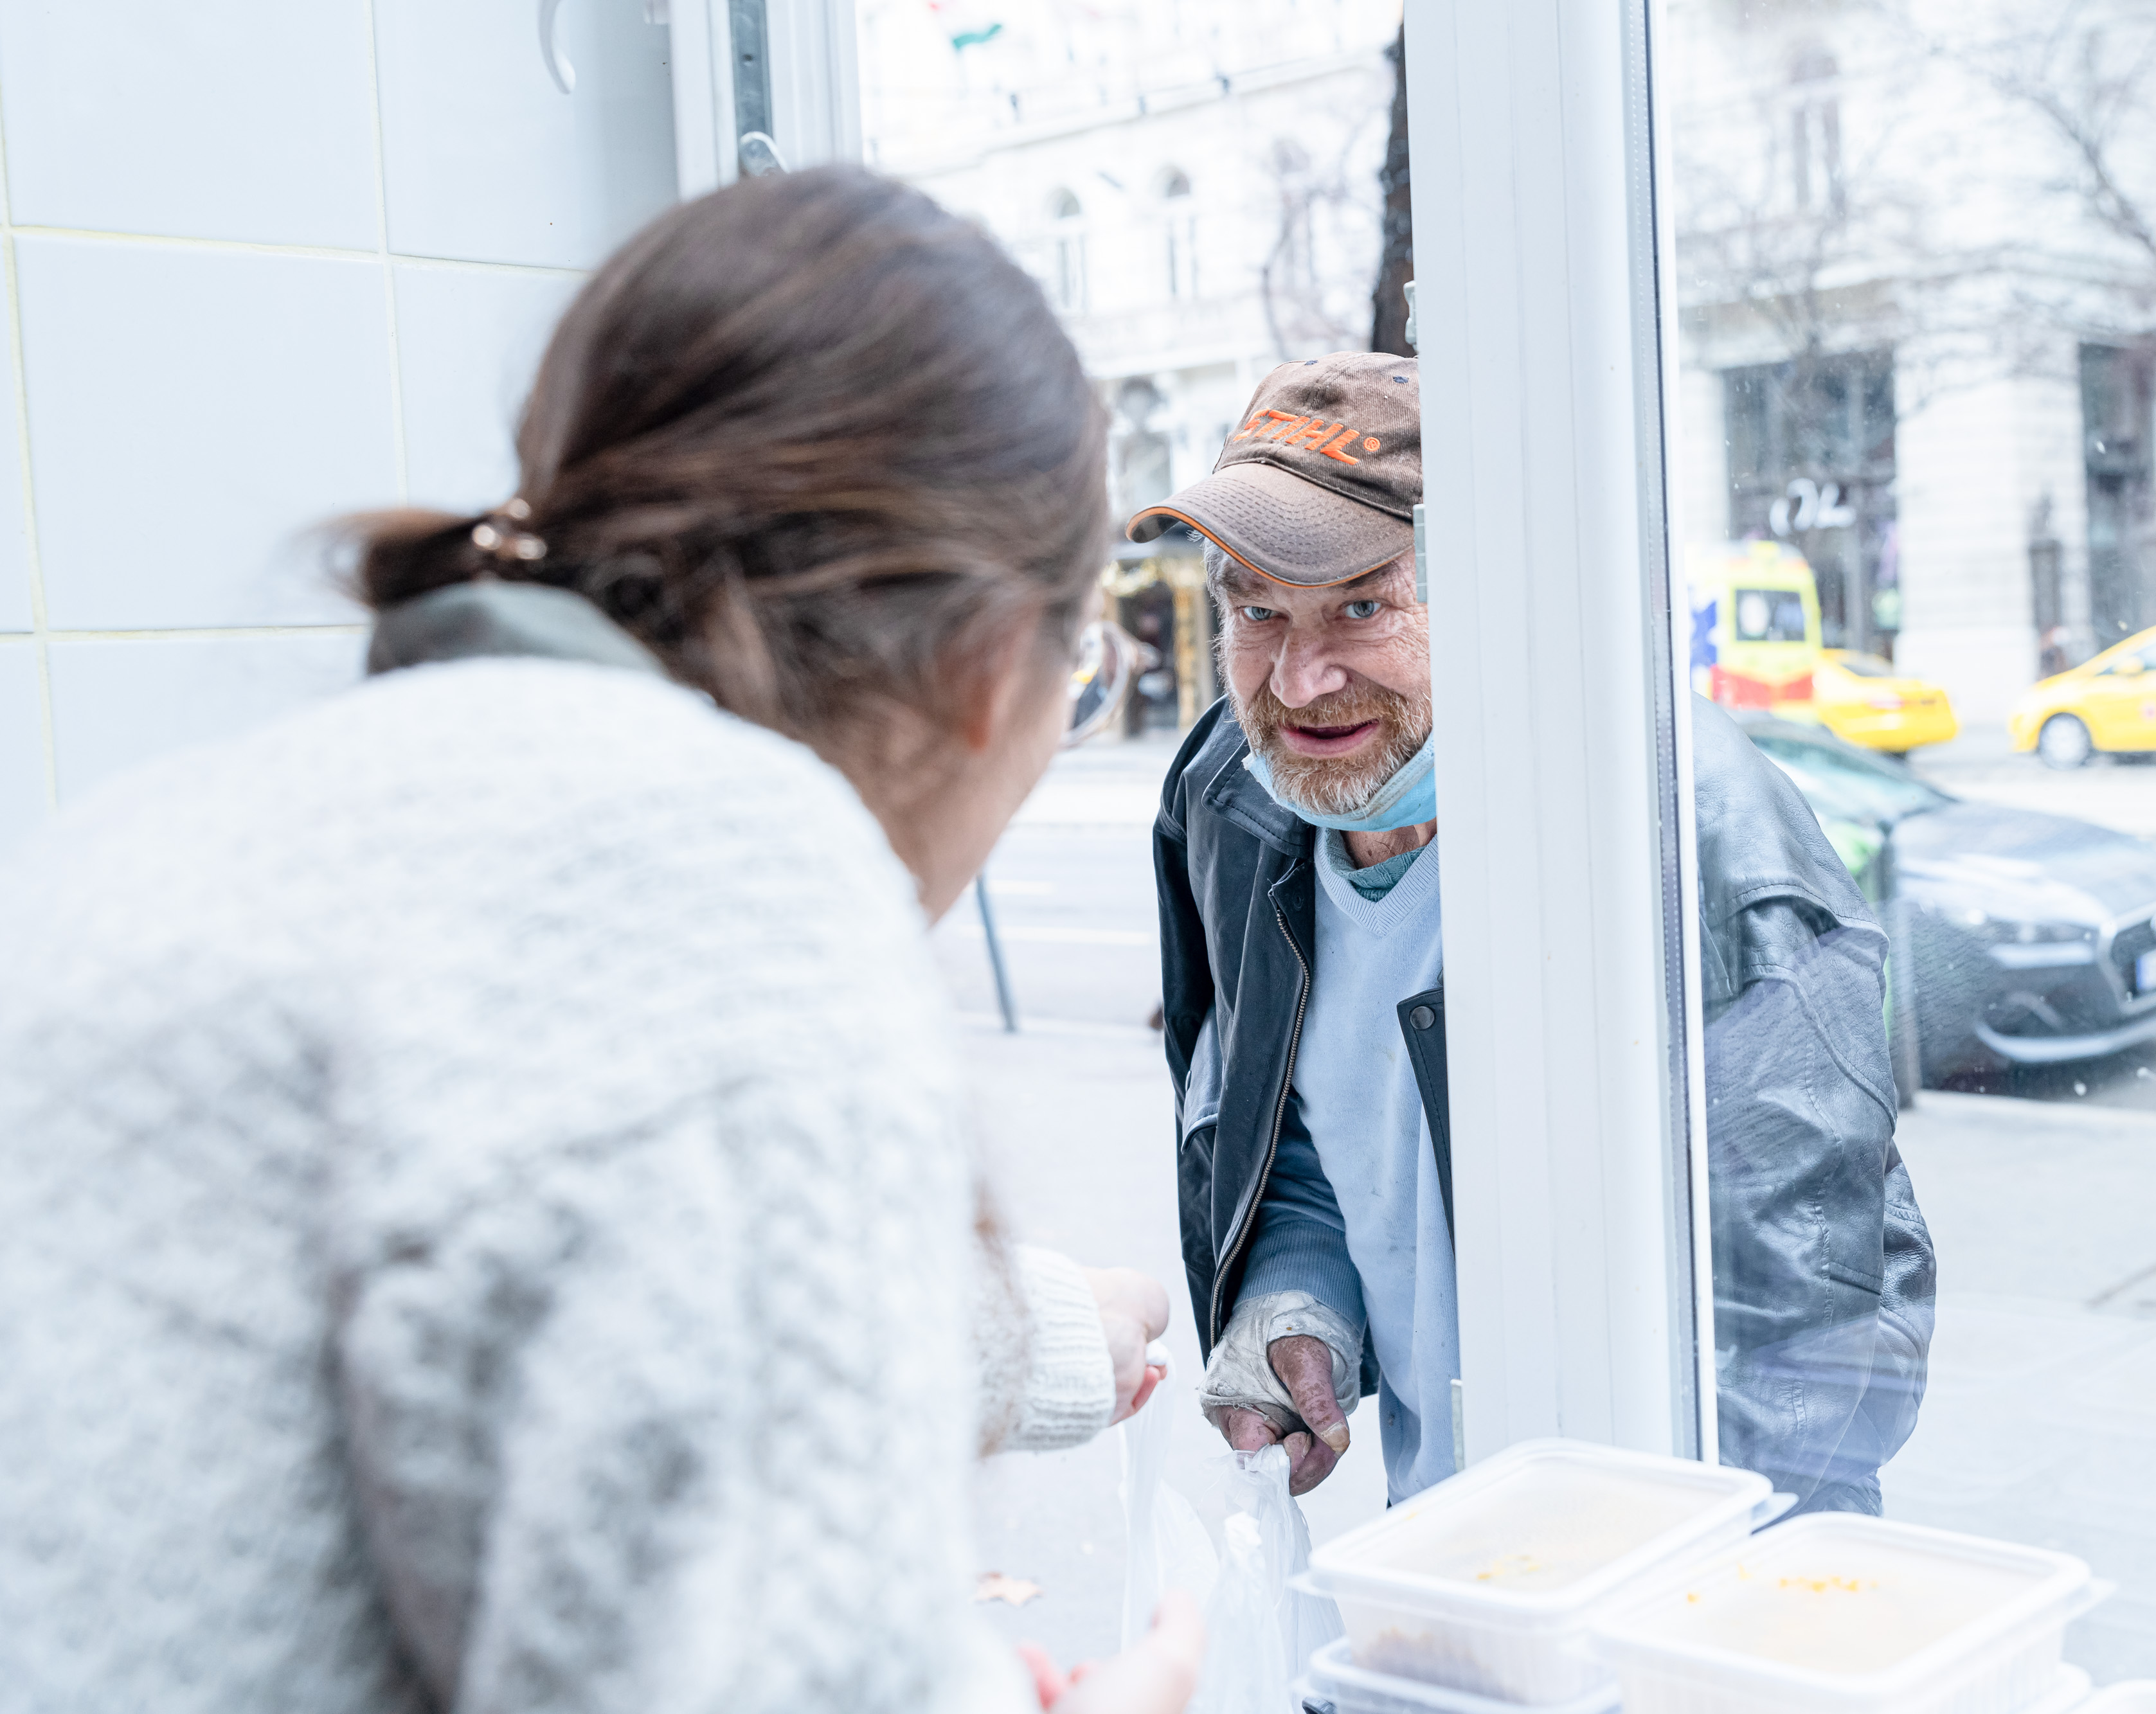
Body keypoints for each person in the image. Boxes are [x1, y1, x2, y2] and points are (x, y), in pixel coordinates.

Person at [0, 168, 1198, 1714]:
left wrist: (1024, 1333)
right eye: (1080, 674)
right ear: (987, 664)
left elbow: (564, 1289)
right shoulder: (725, 875)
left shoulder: (231, 822)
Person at [1138, 352, 1935, 1509]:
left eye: (1363, 604)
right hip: (1445, 1541)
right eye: (1255, 609)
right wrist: (1293, 1299)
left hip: (1664, 1573)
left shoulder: (1681, 843)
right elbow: (1304, 1124)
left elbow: (1813, 1345)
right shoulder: (1239, 799)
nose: (1302, 680)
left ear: (1494, 595)